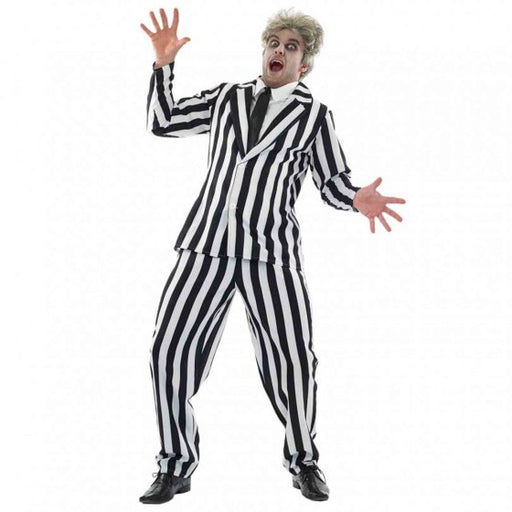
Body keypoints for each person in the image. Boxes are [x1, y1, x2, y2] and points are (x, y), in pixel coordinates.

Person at [138, 6, 405, 504]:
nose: (278, 51)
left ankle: (304, 461)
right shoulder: (228, 97)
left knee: (294, 359)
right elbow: (164, 122)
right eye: (273, 43)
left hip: (271, 252)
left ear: (305, 62)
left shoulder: (315, 117)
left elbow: (332, 181)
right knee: (167, 351)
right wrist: (163, 66)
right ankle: (174, 464)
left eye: (291, 47)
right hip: (205, 246)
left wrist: (355, 199)